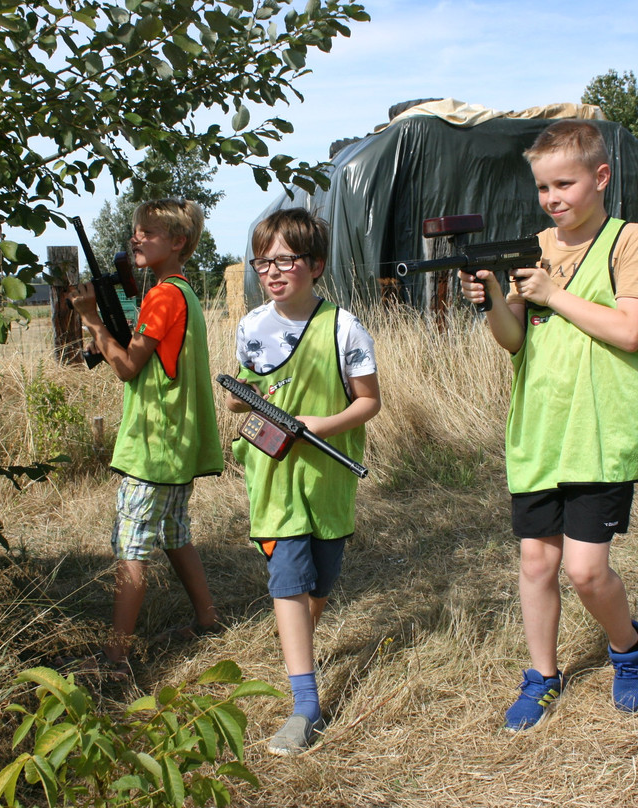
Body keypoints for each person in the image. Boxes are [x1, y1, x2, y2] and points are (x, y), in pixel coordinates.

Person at [460, 120, 638, 731]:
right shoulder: (536, 246)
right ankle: (543, 676)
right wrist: (496, 298)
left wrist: (550, 291)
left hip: (599, 436)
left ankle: (628, 649)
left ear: (600, 178)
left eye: (565, 183)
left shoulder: (631, 242)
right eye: (543, 187)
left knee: (586, 570)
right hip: (540, 433)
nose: (553, 198)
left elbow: (630, 331)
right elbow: (513, 341)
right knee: (535, 564)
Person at [223, 208, 381, 755]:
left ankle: (298, 640)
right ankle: (305, 705)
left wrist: (321, 424)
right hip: (270, 479)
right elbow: (237, 391)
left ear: (315, 265)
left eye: (285, 259)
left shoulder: (343, 326)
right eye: (262, 261)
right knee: (287, 580)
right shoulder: (250, 327)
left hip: (328, 478)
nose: (272, 271)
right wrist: (246, 399)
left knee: (321, 579)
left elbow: (369, 402)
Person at [70, 198, 224, 669]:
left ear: (178, 242)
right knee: (175, 533)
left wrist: (93, 319)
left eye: (149, 232)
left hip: (154, 447)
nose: (136, 237)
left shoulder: (161, 296)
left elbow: (128, 367)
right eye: (135, 230)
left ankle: (114, 657)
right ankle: (207, 619)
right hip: (178, 443)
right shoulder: (185, 293)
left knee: (131, 546)